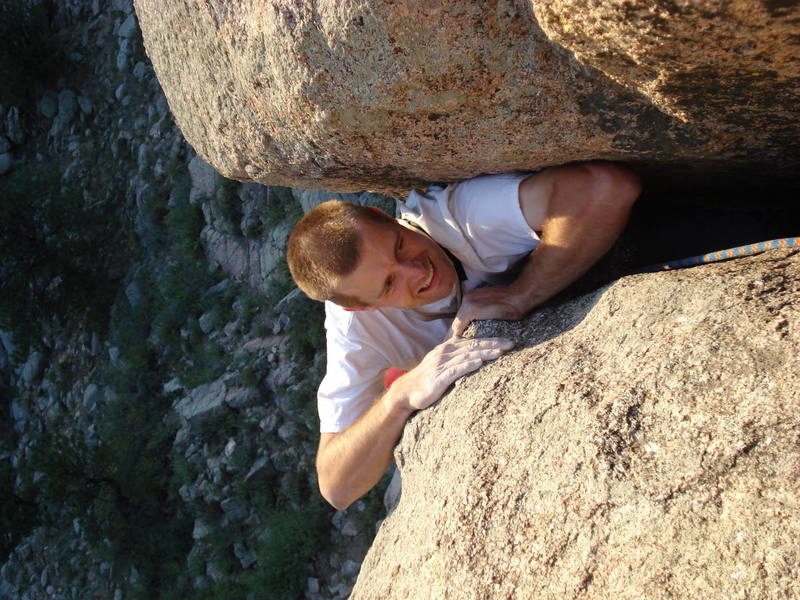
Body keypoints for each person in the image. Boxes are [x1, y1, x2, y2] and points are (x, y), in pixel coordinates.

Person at [287, 162, 641, 509]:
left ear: (382, 216)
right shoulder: (357, 332)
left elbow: (607, 187)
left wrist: (521, 294)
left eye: (399, 246)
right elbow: (336, 487)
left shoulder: (457, 216)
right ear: (360, 308)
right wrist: (400, 396)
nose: (416, 269)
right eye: (389, 284)